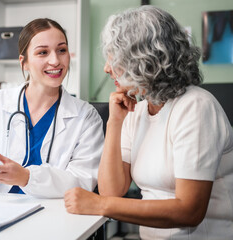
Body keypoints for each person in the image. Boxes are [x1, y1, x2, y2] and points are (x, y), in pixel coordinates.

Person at [64, 5, 233, 239]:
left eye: (115, 57)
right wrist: (115, 122)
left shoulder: (196, 106)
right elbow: (112, 190)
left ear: (146, 59)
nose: (106, 68)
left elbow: (189, 210)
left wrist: (100, 205)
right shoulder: (137, 110)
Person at [0, 18, 104, 198]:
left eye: (61, 50)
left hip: (54, 217)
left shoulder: (85, 117)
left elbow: (83, 182)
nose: (55, 60)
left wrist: (26, 178)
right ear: (24, 62)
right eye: (43, 52)